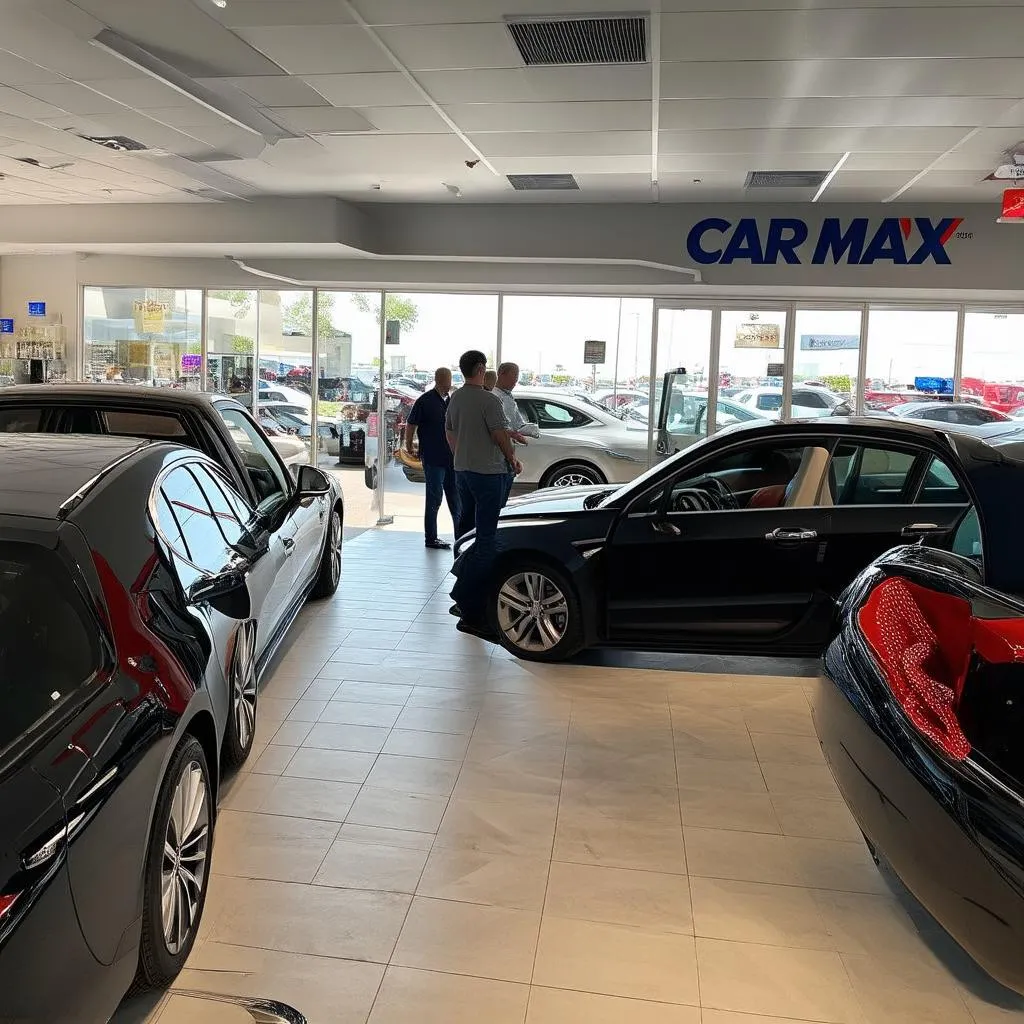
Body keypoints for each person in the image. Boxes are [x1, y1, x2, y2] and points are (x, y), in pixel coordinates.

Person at [445, 350, 521, 628]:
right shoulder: (488, 400)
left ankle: (462, 582)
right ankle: (468, 601)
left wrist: (461, 455)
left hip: (462, 472)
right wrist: (511, 458)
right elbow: (499, 434)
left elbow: (450, 432)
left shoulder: (455, 398)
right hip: (488, 474)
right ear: (479, 368)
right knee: (487, 540)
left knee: (467, 533)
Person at [405, 367, 460, 549]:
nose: (448, 383)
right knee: (434, 498)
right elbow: (411, 424)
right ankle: (431, 538)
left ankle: (460, 537)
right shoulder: (425, 401)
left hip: (452, 458)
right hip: (433, 457)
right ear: (438, 379)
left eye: (450, 379)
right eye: (446, 379)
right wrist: (409, 445)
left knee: (455, 499)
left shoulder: (451, 401)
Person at [492, 361, 539, 505]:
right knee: (496, 505)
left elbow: (517, 424)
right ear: (501, 374)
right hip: (498, 459)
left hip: (508, 456)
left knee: (501, 503)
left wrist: (530, 430)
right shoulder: (494, 398)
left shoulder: (508, 397)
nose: (516, 380)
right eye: (514, 375)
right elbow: (499, 430)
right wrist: (514, 435)